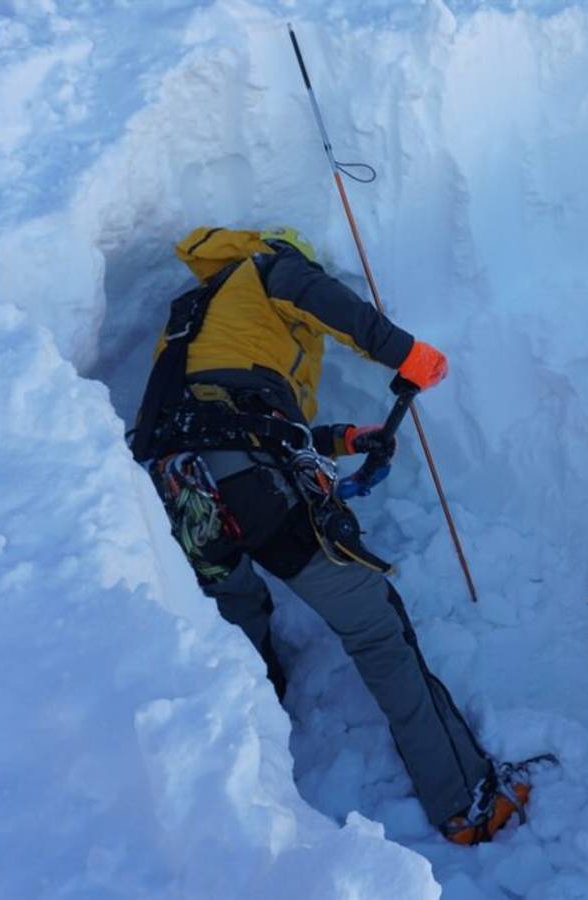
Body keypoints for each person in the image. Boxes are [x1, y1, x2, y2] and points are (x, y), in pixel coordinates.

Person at [130, 225, 533, 844]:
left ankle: (246, 768)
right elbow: (330, 307)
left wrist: (346, 440)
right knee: (376, 626)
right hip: (247, 482)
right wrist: (407, 354)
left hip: (175, 492)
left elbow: (235, 419)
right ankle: (465, 799)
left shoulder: (194, 321)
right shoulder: (266, 269)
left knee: (235, 620)